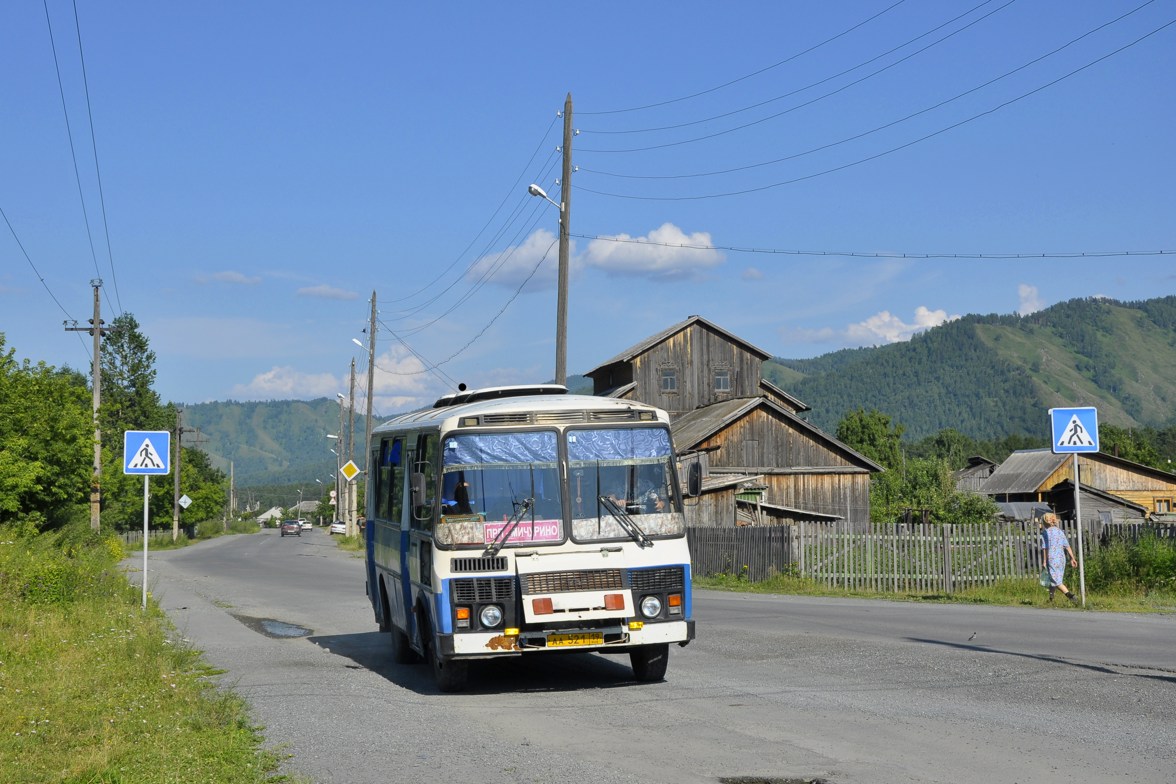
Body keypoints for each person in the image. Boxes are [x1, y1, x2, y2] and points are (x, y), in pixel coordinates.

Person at [1040, 512, 1079, 603]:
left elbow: (1045, 548)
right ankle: (1051, 599)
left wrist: (1044, 561)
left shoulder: (1045, 532)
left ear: (1045, 522)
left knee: (1056, 581)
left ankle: (1071, 596)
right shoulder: (1060, 531)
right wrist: (1072, 558)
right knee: (1054, 579)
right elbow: (1067, 545)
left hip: (1052, 558)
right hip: (1061, 558)